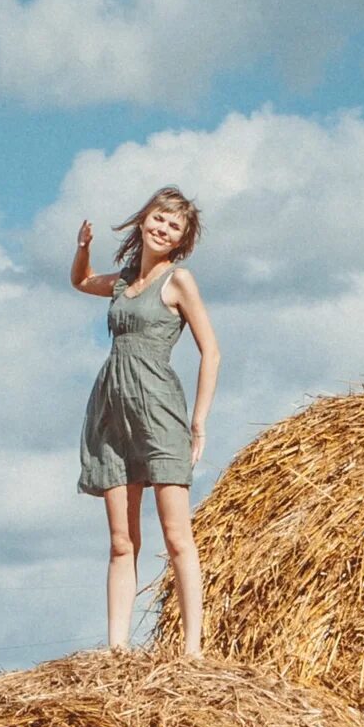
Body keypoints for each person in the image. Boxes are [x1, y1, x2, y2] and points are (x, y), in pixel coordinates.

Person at [71, 186, 219, 654]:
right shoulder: (121, 283)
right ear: (143, 222)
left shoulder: (178, 282)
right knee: (121, 540)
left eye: (173, 225)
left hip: (158, 411)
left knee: (177, 537)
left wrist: (198, 422)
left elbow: (211, 351)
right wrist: (82, 250)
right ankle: (117, 651)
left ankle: (192, 650)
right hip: (112, 414)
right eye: (158, 218)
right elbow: (81, 281)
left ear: (180, 241)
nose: (163, 228)